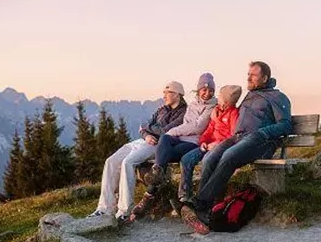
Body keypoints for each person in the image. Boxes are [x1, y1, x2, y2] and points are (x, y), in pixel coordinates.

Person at [181, 61, 292, 234]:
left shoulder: (277, 97)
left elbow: (285, 125)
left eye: (253, 75)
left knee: (229, 157)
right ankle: (207, 210)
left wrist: (262, 133)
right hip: (238, 138)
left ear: (264, 77)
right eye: (248, 74)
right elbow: (232, 113)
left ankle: (199, 203)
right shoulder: (250, 95)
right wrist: (219, 113)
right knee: (210, 158)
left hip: (260, 141)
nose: (248, 77)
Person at [87, 81, 187, 223]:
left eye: (168, 93)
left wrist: (147, 128)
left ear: (178, 94)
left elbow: (165, 131)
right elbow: (144, 127)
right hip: (144, 141)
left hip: (158, 145)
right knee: (111, 161)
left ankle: (124, 211)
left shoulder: (184, 112)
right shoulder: (161, 109)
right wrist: (146, 134)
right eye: (164, 93)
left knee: (128, 162)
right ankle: (104, 208)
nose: (164, 96)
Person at [131, 73, 217, 219]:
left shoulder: (212, 107)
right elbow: (186, 124)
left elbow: (197, 127)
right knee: (164, 140)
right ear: (198, 90)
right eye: (204, 89)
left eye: (210, 91)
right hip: (180, 138)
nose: (207, 93)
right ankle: (157, 173)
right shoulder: (193, 105)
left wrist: (172, 132)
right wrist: (168, 134)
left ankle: (149, 195)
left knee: (166, 141)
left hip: (193, 142)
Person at [178, 85, 242, 204]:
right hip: (207, 146)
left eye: (221, 96)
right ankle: (185, 196)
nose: (218, 98)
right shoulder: (216, 111)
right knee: (186, 159)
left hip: (220, 147)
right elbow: (208, 131)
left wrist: (217, 144)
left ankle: (203, 199)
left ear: (226, 100)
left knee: (207, 161)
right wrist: (203, 142)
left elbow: (233, 136)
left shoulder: (233, 113)